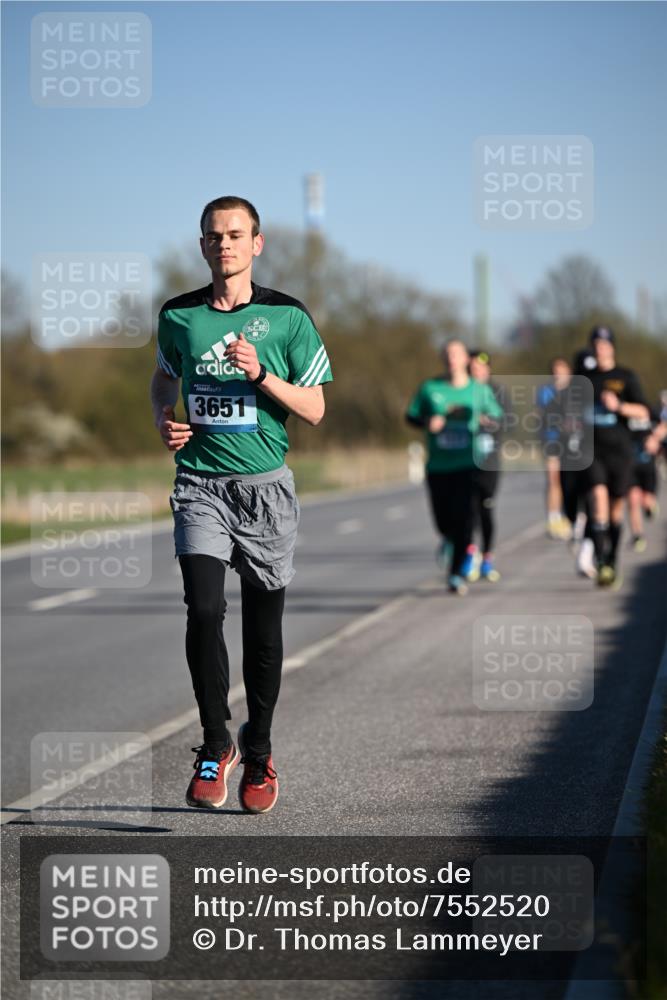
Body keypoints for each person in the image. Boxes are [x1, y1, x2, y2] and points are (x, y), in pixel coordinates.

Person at [151, 195, 332, 813]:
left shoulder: (287, 317)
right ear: (202, 245)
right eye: (213, 235)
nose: (223, 244)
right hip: (200, 485)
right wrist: (163, 417)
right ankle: (214, 743)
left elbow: (314, 409)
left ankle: (259, 751)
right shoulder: (179, 316)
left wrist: (260, 375)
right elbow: (164, 377)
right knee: (203, 610)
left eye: (234, 234)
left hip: (265, 491)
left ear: (257, 243)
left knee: (263, 628)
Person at [406, 340, 503, 595]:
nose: (452, 358)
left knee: (465, 520)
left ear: (465, 359)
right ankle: (448, 540)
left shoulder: (479, 390)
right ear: (443, 358)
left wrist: (486, 420)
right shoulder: (430, 388)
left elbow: (497, 416)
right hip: (438, 466)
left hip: (468, 465)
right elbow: (411, 416)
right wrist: (428, 422)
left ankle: (456, 573)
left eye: (456, 354)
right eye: (447, 354)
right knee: (443, 521)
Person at [582, 326, 649, 587]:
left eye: (604, 344)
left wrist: (619, 406)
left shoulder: (625, 376)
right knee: (598, 498)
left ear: (612, 347)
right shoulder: (584, 378)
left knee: (615, 509)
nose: (600, 349)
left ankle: (611, 559)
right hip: (593, 451)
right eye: (596, 344)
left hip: (620, 452)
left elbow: (643, 411)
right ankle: (600, 560)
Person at [463, 349, 503, 582]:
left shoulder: (497, 392)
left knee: (486, 509)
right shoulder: (462, 391)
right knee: (468, 510)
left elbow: (506, 421)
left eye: (480, 367)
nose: (476, 371)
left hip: (489, 463)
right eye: (472, 368)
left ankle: (488, 556)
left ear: (488, 369)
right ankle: (470, 553)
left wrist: (488, 421)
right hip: (464, 460)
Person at [537, 358, 574, 539]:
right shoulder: (545, 391)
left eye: (561, 369)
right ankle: (553, 518)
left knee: (570, 481)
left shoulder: (577, 391)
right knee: (553, 478)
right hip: (551, 439)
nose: (558, 373)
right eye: (555, 370)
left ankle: (570, 516)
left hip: (573, 442)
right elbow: (543, 414)